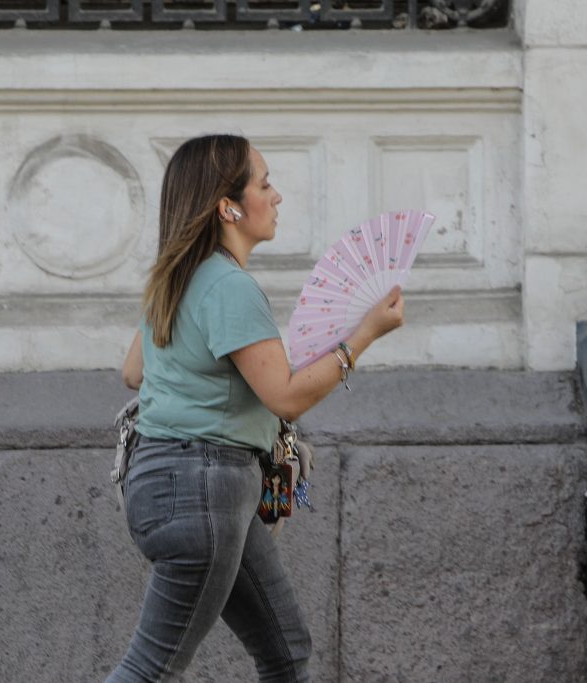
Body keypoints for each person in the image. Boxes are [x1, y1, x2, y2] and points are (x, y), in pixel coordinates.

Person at [108, 134, 404, 682]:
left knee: (287, 650)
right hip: (202, 488)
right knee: (151, 669)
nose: (278, 197)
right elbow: (285, 396)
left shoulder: (176, 280)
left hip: (175, 483)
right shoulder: (228, 287)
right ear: (229, 206)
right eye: (265, 184)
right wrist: (362, 337)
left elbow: (134, 371)